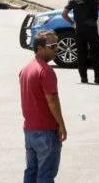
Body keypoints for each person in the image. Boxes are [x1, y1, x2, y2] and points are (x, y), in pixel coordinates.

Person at [19, 30, 67, 183]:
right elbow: (52, 100)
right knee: (45, 175)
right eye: (52, 46)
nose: (56, 49)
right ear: (40, 48)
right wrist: (61, 125)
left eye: (57, 45)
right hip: (46, 132)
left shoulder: (26, 69)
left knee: (31, 172)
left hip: (29, 130)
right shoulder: (46, 71)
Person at [61, 0, 99, 84]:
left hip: (79, 29)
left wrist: (72, 23)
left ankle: (83, 77)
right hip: (91, 28)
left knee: (81, 53)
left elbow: (64, 14)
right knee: (95, 52)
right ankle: (98, 77)